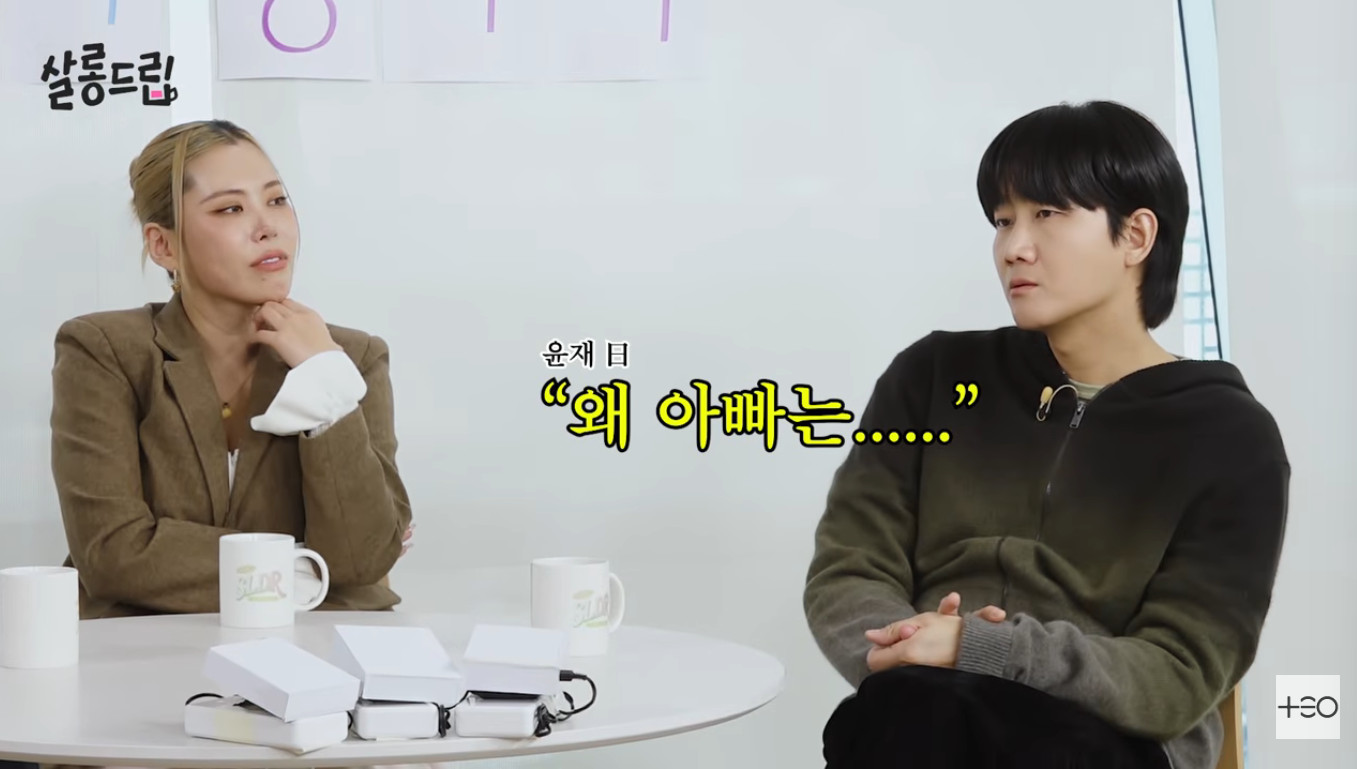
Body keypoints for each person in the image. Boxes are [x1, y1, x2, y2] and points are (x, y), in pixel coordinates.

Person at [803, 101, 1289, 769]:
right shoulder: (933, 377)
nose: (1013, 247)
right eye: (1004, 220)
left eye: (1047, 214)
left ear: (1135, 236)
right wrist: (911, 647)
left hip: (1112, 739)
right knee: (910, 715)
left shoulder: (1229, 436)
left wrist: (982, 649)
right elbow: (849, 568)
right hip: (920, 708)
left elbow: (1178, 673)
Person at [48, 119, 415, 621]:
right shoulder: (105, 350)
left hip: (308, 652)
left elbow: (363, 558)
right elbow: (112, 553)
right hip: (141, 650)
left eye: (277, 200)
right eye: (231, 208)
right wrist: (303, 572)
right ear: (164, 246)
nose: (268, 226)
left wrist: (324, 381)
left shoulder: (350, 356)